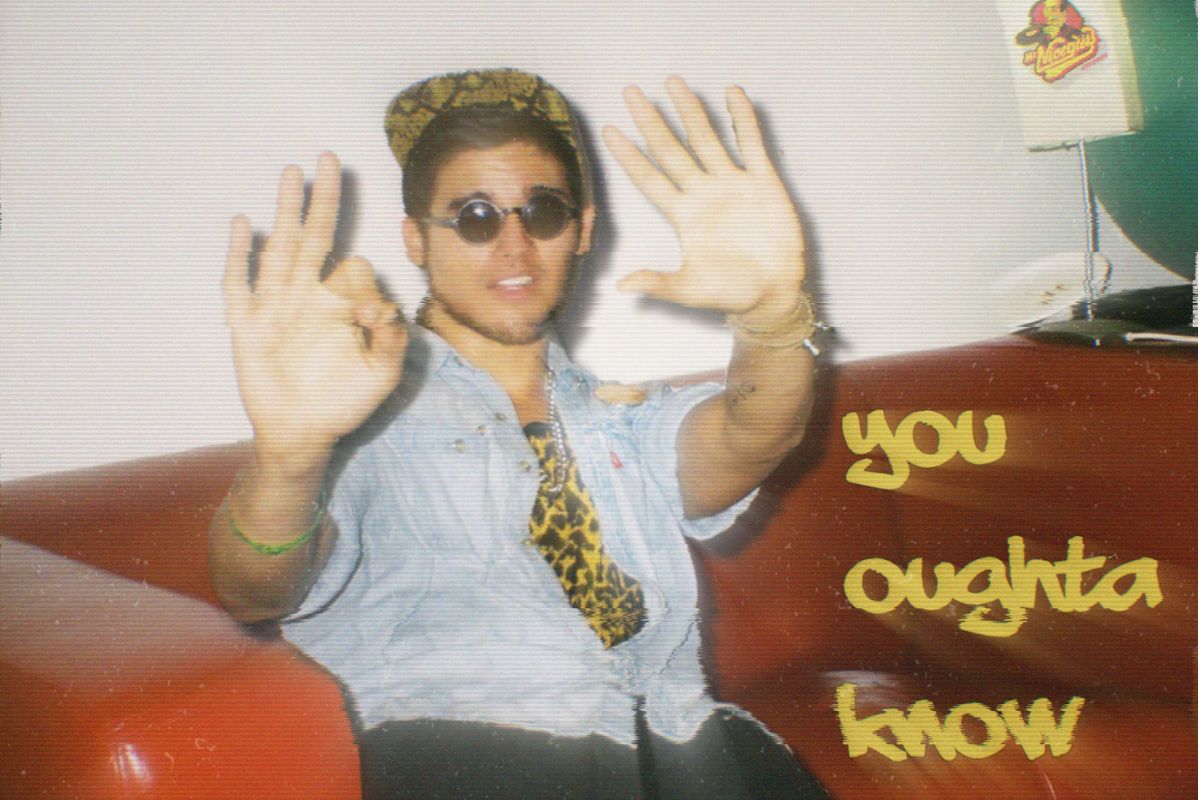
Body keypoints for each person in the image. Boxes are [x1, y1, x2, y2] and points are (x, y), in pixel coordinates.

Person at [209, 68, 827, 799]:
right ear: (415, 240)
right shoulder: (359, 413)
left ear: (583, 230)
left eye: (544, 211)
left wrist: (774, 315)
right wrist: (288, 461)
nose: (514, 245)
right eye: (474, 216)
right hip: (479, 757)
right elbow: (251, 592)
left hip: (678, 743)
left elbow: (755, 433)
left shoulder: (613, 417)